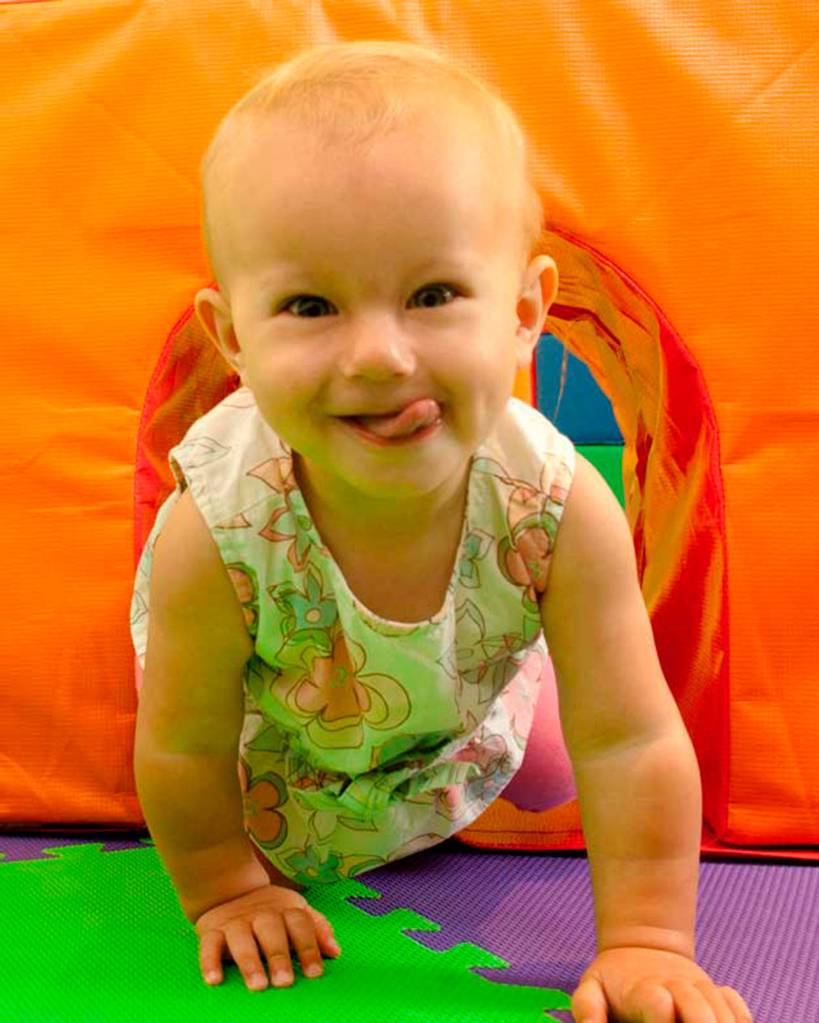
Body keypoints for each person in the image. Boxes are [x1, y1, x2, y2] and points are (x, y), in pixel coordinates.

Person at [130, 40, 752, 1023]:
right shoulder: (215, 530)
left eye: (432, 295)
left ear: (524, 312)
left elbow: (633, 740)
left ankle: (534, 675)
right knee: (285, 850)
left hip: (453, 707)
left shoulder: (555, 505)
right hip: (285, 742)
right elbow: (181, 747)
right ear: (234, 340)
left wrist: (647, 941)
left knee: (558, 768)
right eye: (309, 305)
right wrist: (227, 887)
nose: (379, 356)